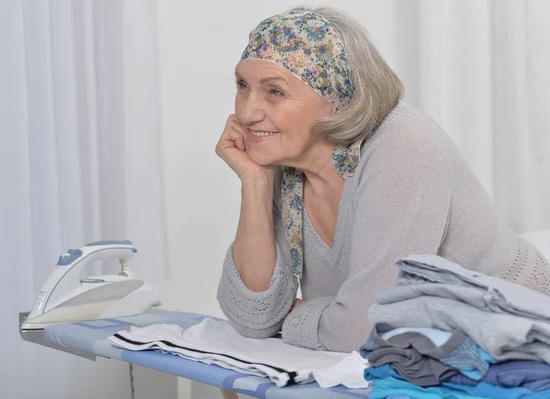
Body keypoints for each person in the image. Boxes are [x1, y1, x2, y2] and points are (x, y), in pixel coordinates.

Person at [214, 6, 549, 352]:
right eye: (243, 86)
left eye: (274, 91)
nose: (247, 112)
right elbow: (252, 318)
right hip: (422, 355)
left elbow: (365, 329)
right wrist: (255, 182)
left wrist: (291, 318)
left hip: (520, 335)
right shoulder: (286, 164)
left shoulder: (403, 143)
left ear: (337, 97)